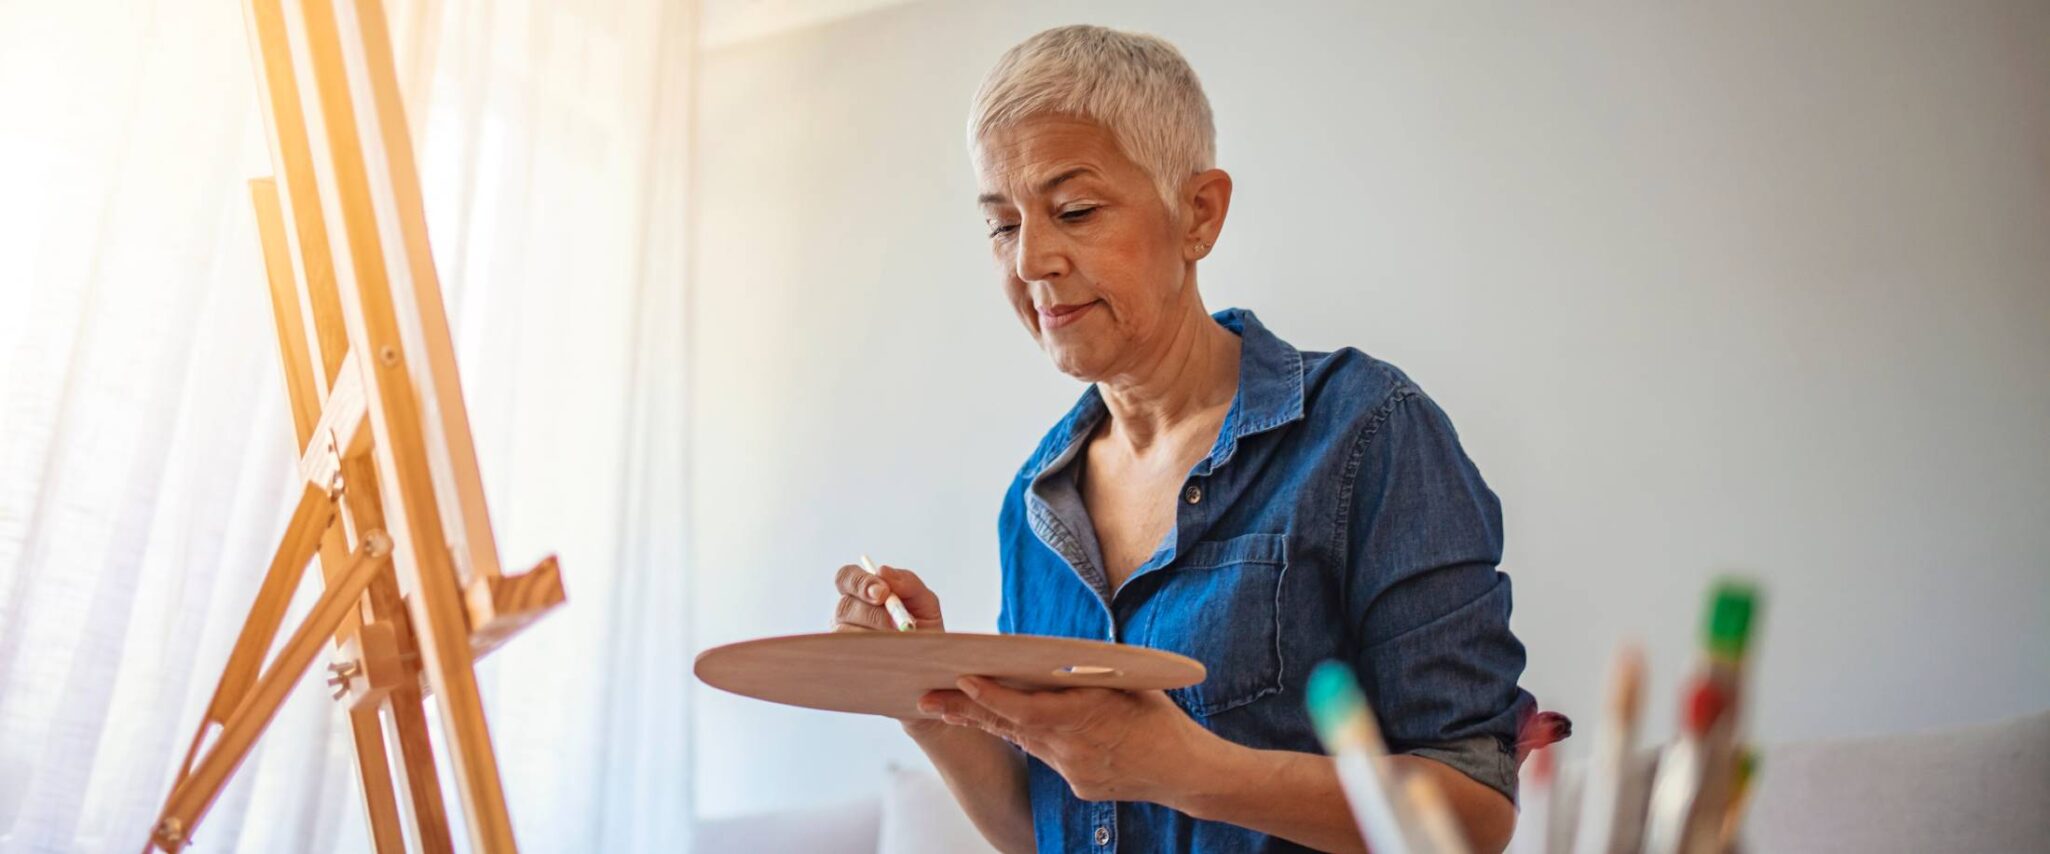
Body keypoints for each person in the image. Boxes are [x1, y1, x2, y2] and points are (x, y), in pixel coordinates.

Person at [830, 24, 1535, 853]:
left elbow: (1475, 812)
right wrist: (924, 694)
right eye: (1002, 225)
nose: (1030, 260)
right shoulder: (1035, 504)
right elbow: (1056, 828)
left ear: (1199, 214)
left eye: (1075, 210)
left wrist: (1181, 767)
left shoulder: (1367, 433)